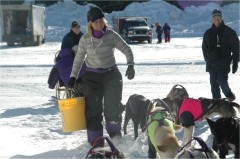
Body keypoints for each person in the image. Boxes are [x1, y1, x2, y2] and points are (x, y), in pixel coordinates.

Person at [68, 7, 135, 146]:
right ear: (90, 24)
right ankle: (96, 140)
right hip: (92, 77)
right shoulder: (85, 39)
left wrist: (130, 65)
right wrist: (73, 77)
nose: (99, 24)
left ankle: (115, 137)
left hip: (111, 75)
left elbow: (126, 48)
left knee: (112, 107)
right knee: (93, 110)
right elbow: (79, 58)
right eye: (95, 22)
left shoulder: (111, 35)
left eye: (101, 20)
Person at [202, 8, 239, 101]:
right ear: (212, 19)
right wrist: (208, 61)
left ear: (222, 18)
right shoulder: (208, 33)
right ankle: (217, 105)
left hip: (223, 64)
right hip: (212, 64)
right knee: (214, 86)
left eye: (218, 17)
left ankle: (230, 96)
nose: (216, 19)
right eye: (214, 17)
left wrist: (235, 62)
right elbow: (204, 49)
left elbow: (236, 48)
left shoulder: (229, 32)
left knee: (223, 83)